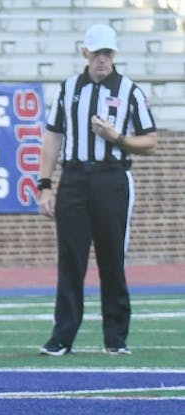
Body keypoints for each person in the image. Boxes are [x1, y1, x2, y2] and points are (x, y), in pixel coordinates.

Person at [37, 24, 157, 356]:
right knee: (70, 260)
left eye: (108, 53)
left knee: (111, 259)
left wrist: (117, 138)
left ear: (114, 55)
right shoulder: (69, 88)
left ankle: (115, 337)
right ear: (85, 53)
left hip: (111, 179)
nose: (103, 60)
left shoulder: (129, 90)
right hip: (74, 179)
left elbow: (150, 139)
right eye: (97, 53)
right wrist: (44, 184)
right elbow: (52, 138)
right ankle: (62, 336)